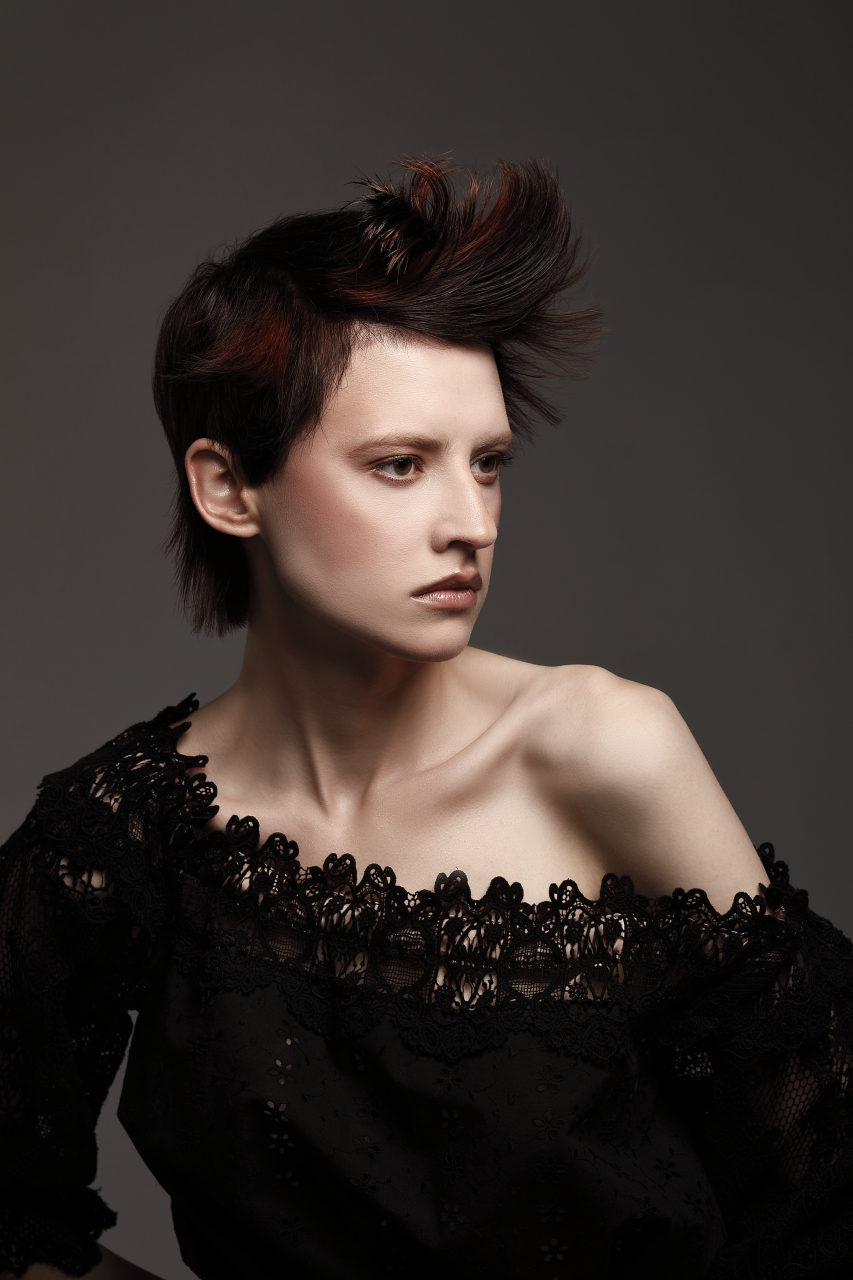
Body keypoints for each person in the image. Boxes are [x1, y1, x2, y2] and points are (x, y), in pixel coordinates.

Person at [1, 158, 851, 1280]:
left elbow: (829, 1193)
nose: (472, 523)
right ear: (228, 488)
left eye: (487, 464)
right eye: (399, 465)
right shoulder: (123, 835)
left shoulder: (602, 746)